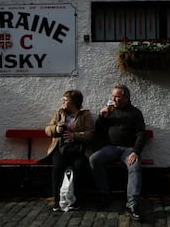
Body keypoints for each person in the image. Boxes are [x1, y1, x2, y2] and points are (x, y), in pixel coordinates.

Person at [89, 84, 146, 221]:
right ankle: (104, 194)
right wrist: (102, 117)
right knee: (94, 159)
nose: (114, 99)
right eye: (113, 96)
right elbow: (98, 132)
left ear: (126, 97)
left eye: (117, 96)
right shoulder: (110, 111)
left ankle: (132, 204)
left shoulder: (135, 113)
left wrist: (136, 152)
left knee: (135, 166)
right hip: (111, 148)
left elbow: (140, 134)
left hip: (128, 149)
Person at [45, 90, 94, 212]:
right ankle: (57, 201)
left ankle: (74, 201)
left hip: (79, 149)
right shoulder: (60, 113)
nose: (63, 102)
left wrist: (75, 136)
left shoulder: (85, 115)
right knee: (57, 168)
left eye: (65, 100)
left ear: (74, 102)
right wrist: (56, 128)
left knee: (79, 167)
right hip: (61, 148)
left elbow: (91, 133)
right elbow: (47, 129)